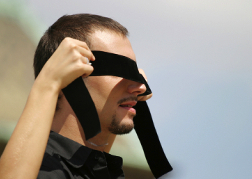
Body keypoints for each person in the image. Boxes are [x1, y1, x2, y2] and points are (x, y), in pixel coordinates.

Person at [0, 14, 153, 179]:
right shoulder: (44, 171)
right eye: (119, 70)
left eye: (135, 74)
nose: (141, 87)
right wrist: (48, 84)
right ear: (69, 76)